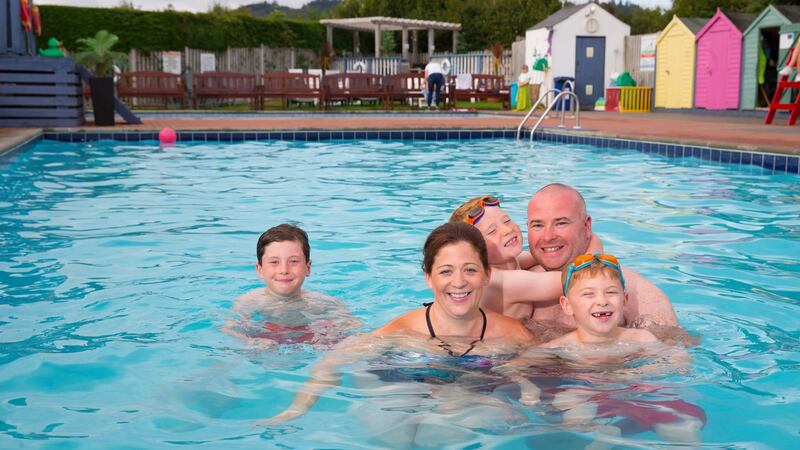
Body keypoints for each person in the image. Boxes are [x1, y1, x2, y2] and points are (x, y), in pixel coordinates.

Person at [262, 222, 539, 430]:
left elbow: (544, 374)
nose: (458, 282)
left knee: (464, 419)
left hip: (467, 399)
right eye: (445, 271)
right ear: (429, 278)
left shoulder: (514, 335)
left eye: (470, 269)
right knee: (391, 424)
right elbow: (335, 360)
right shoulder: (403, 330)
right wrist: (296, 409)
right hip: (402, 380)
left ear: (487, 275)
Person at [533, 253, 704, 445]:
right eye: (589, 294)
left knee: (683, 426)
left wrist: (641, 373)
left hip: (638, 395)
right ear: (567, 305)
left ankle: (613, 432)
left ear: (625, 299)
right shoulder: (559, 346)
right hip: (588, 398)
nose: (602, 301)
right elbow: (516, 366)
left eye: (611, 292)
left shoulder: (640, 337)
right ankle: (603, 436)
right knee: (571, 404)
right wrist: (527, 390)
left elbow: (677, 359)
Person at [526, 183, 681, 337]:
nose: (548, 236)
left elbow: (671, 354)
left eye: (561, 223)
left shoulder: (640, 296)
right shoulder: (520, 286)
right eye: (537, 225)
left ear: (587, 226)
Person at [449, 195, 602, 322]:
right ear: (474, 252)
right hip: (492, 357)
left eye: (506, 220)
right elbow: (577, 278)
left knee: (541, 267)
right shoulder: (500, 281)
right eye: (492, 231)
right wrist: (592, 240)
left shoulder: (508, 262)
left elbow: (538, 254)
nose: (506, 230)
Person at [222, 224, 360, 349]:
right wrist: (249, 341)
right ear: (260, 270)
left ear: (307, 268)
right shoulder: (250, 301)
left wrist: (332, 336)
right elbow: (230, 329)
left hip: (311, 340)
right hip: (265, 340)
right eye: (274, 262)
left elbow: (353, 330)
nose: (284, 270)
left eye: (293, 261)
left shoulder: (323, 303)